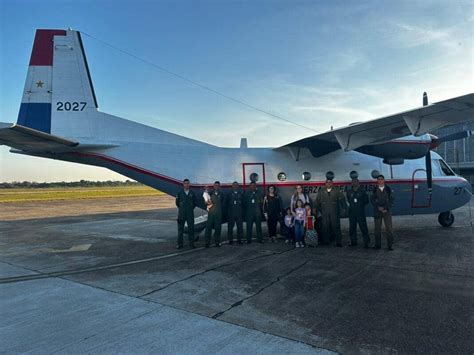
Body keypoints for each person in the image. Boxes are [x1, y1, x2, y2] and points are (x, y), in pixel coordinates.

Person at [315, 179, 347, 247]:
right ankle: (326, 241)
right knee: (325, 227)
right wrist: (315, 210)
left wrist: (344, 208)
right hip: (325, 212)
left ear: (332, 183)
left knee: (336, 227)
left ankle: (338, 242)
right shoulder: (321, 191)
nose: (328, 184)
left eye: (330, 182)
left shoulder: (336, 191)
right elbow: (317, 202)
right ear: (325, 183)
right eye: (327, 182)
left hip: (334, 212)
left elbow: (342, 199)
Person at [371, 175, 395, 251]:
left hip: (386, 211)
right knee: (377, 229)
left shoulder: (388, 189)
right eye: (379, 179)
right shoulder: (374, 189)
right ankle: (377, 245)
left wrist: (385, 208)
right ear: (377, 181)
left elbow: (391, 200)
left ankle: (390, 245)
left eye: (381, 179)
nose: (380, 180)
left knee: (389, 228)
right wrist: (378, 207)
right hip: (377, 211)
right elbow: (372, 200)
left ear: (384, 180)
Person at [346, 178, 370, 248]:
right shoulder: (349, 191)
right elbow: (349, 200)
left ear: (358, 183)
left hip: (360, 212)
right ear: (351, 183)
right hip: (352, 212)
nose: (354, 183)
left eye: (356, 182)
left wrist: (360, 205)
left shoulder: (362, 191)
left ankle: (366, 242)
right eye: (353, 182)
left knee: (363, 228)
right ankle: (353, 241)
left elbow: (366, 201)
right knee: (352, 228)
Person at [175, 178, 197, 249]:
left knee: (191, 229)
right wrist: (183, 209)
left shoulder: (192, 193)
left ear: (189, 184)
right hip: (181, 214)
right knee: (180, 229)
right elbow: (177, 203)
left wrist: (189, 209)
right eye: (185, 183)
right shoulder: (179, 193)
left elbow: (195, 203)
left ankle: (191, 244)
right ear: (183, 184)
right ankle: (180, 244)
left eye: (188, 183)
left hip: (190, 214)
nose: (186, 185)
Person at [204, 181, 224, 247]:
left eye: (218, 185)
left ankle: (217, 242)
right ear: (213, 186)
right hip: (211, 214)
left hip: (218, 214)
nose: (216, 187)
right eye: (215, 185)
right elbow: (206, 202)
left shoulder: (221, 194)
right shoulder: (209, 193)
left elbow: (223, 204)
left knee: (218, 228)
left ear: (219, 186)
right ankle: (207, 243)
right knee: (208, 228)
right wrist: (207, 203)